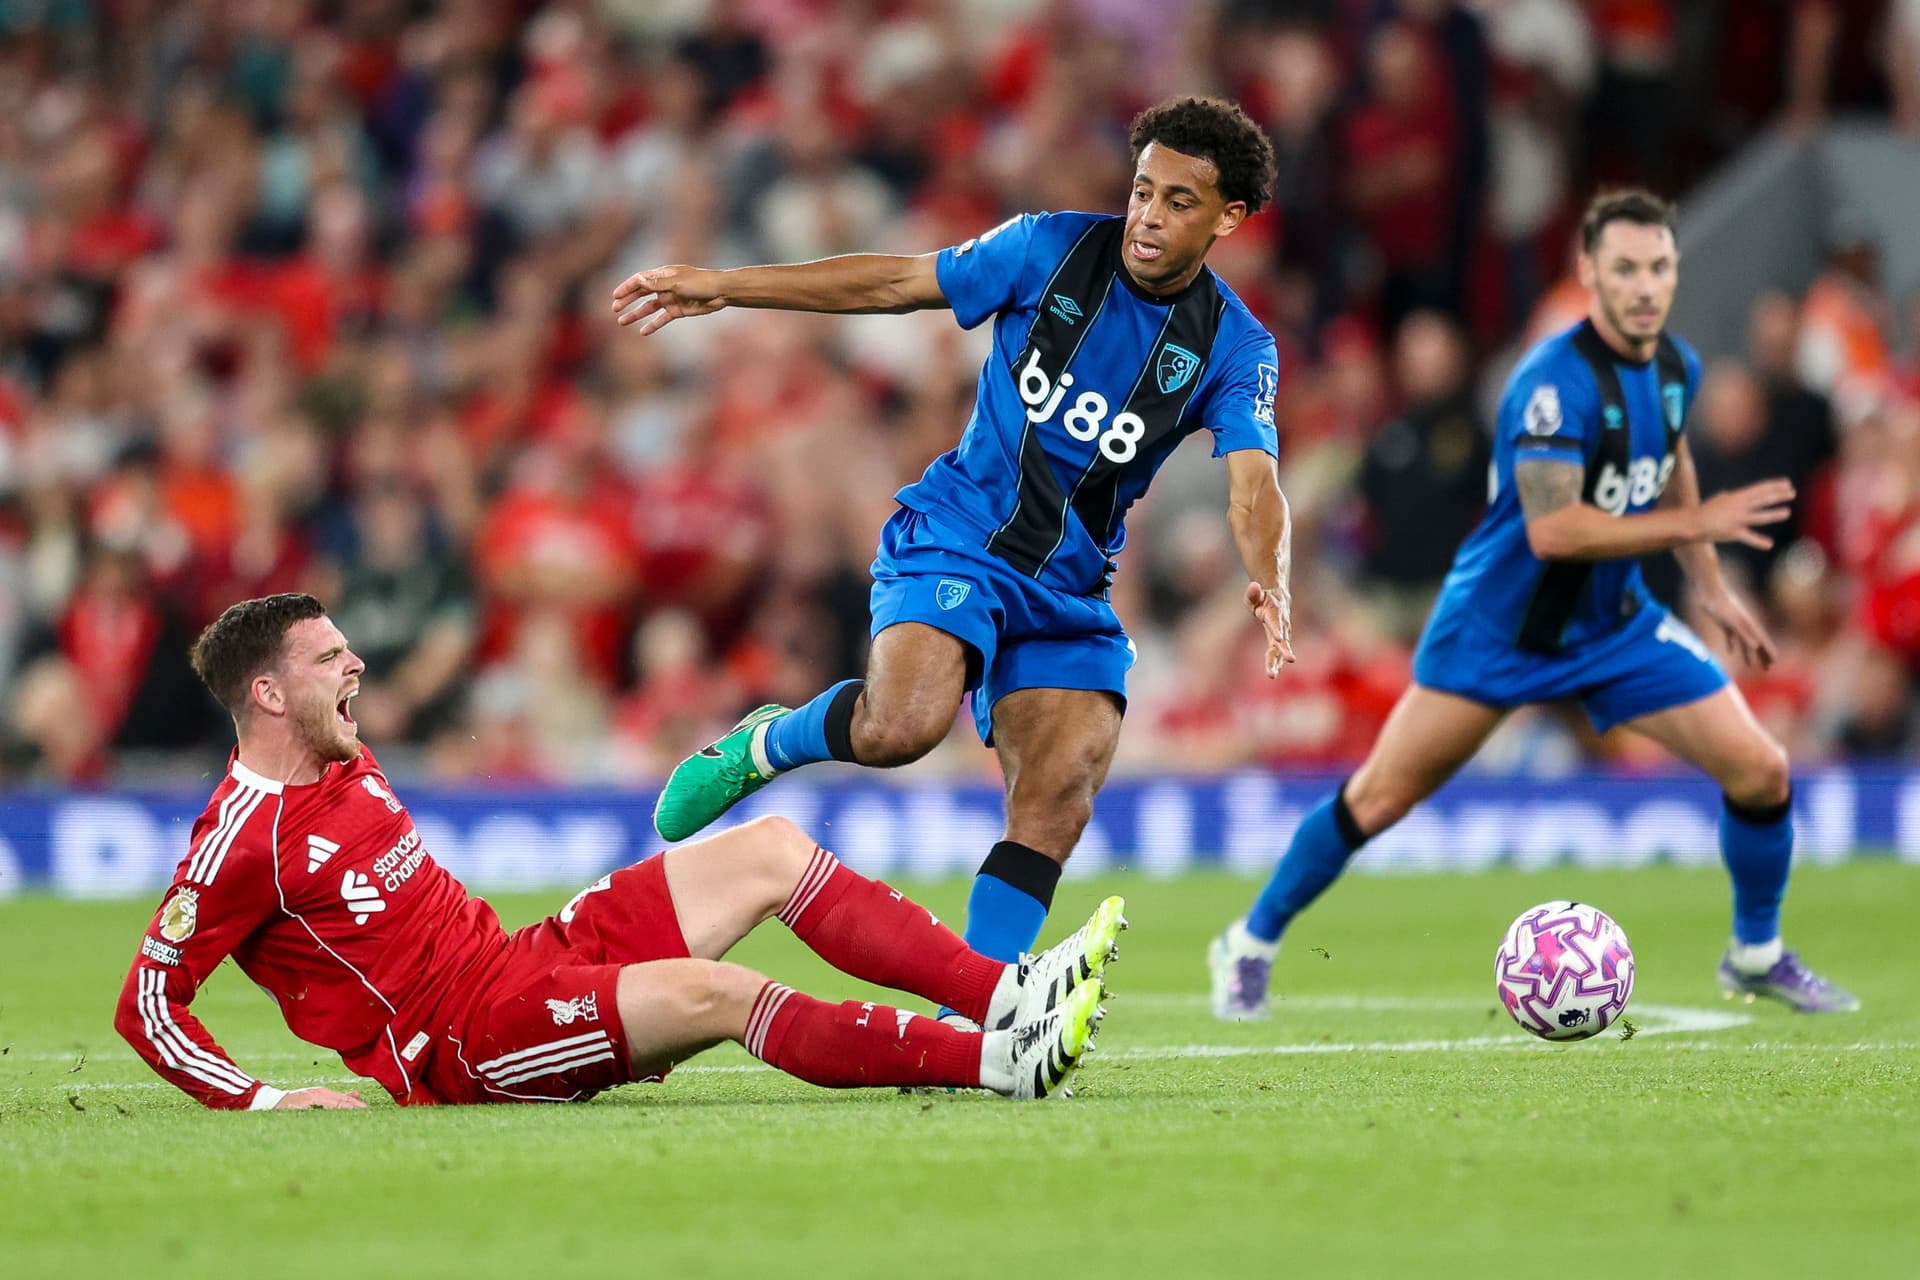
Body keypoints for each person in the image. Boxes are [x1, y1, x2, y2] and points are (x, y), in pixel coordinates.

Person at [611, 97, 1293, 1026]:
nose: (1147, 217)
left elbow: (1254, 481)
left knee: (1058, 795)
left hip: (1070, 586)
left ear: (1229, 219)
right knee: (902, 726)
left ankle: (972, 1023)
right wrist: (730, 285)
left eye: (1178, 202)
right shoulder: (1048, 249)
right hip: (962, 535)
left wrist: (1272, 574)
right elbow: (895, 283)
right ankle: (768, 740)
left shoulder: (1236, 346)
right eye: (1141, 192)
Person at [1209, 190, 1857, 1021]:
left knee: (1763, 770)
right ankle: (1250, 941)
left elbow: (1672, 457)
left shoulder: (1674, 368)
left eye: (1659, 266)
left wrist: (1710, 584)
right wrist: (1696, 525)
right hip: (1498, 630)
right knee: (1377, 799)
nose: (1645, 285)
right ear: (1589, 273)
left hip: (1613, 625)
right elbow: (1554, 532)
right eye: (1624, 268)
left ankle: (1756, 954)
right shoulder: (1551, 384)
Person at [115, 594, 1125, 1109]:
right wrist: (266, 1098)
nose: (358, 665)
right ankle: (1002, 1061)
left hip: (520, 958)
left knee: (770, 846)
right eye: (331, 656)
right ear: (267, 693)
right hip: (462, 1047)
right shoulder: (240, 842)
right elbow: (148, 1002)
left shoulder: (342, 754)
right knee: (719, 994)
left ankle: (1007, 994)